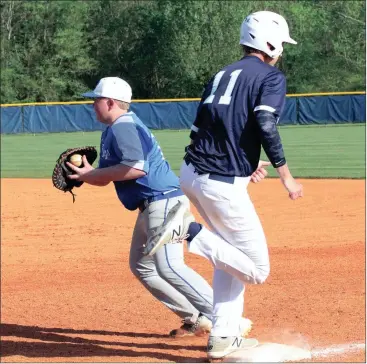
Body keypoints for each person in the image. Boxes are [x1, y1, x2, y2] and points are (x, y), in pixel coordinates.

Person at [144, 11, 303, 360]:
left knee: (228, 261)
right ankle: (189, 232)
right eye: (281, 45)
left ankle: (223, 336)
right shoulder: (270, 76)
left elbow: (207, 125)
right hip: (219, 183)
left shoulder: (221, 74)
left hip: (194, 172)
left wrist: (244, 169)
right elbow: (264, 122)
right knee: (257, 269)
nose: (282, 53)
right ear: (269, 43)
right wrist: (285, 175)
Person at [66, 76, 264, 338]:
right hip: (152, 204)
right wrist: (90, 175)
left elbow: (136, 168)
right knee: (142, 266)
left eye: (96, 100)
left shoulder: (123, 126)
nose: (92, 105)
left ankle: (228, 320)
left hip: (164, 202)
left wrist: (90, 176)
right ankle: (196, 318)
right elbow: (115, 175)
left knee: (169, 266)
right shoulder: (117, 127)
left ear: (110, 102)